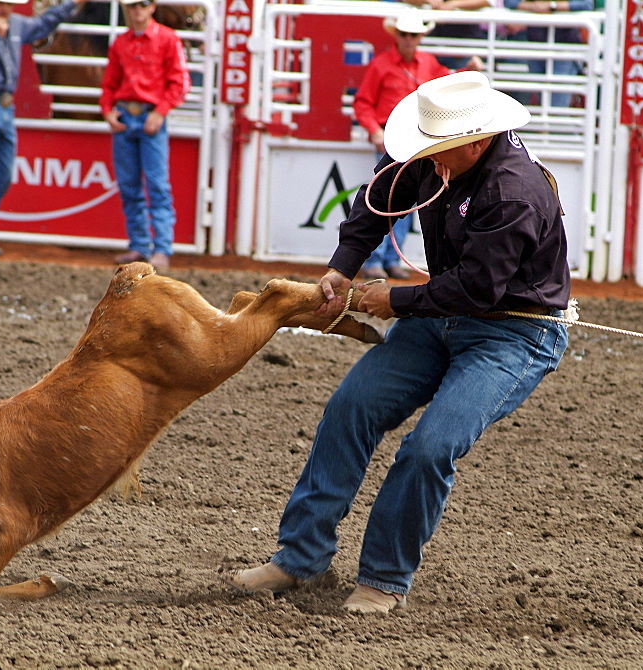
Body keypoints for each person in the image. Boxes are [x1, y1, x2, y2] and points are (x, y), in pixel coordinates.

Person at [223, 71, 571, 613]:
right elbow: (378, 197)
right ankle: (300, 557)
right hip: (441, 316)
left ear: (476, 141)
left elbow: (478, 287)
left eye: (440, 154)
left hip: (514, 332)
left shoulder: (514, 192)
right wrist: (342, 268)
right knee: (350, 407)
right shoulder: (441, 156)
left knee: (432, 447)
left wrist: (396, 301)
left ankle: (383, 578)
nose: (428, 163)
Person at [0, 0, 85, 256]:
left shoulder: (14, 24)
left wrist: (70, 4)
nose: (7, 10)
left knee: (1, 175)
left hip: (2, 106)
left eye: (9, 5)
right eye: (3, 5)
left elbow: (42, 24)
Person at [353, 12, 451, 280]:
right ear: (397, 36)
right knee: (387, 198)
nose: (409, 40)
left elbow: (448, 84)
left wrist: (468, 71)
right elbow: (363, 102)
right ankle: (378, 259)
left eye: (413, 35)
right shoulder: (381, 65)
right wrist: (374, 129)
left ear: (419, 37)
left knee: (404, 199)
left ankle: (389, 259)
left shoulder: (428, 64)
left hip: (418, 141)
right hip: (394, 138)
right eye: (405, 35)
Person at [100, 0, 190, 273]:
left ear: (151, 7)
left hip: (149, 115)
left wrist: (160, 111)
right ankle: (142, 245)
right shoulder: (121, 43)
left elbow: (179, 82)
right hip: (128, 116)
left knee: (156, 185)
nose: (136, 10)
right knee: (130, 185)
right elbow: (109, 82)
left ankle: (160, 247)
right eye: (132, 6)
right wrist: (107, 110)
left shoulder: (167, 39)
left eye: (141, 5)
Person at [503, 0, 594, 108]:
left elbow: (586, 4)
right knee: (545, 99)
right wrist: (534, 6)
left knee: (556, 101)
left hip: (564, 47)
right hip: (537, 44)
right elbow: (510, 2)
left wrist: (551, 5)